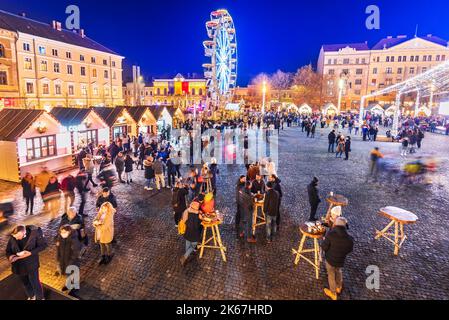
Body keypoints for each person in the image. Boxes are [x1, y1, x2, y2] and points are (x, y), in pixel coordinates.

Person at [6, 225, 47, 300]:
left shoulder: (35, 234)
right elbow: (8, 251)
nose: (16, 238)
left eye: (18, 236)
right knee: (25, 283)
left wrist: (31, 253)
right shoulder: (13, 237)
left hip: (31, 264)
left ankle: (40, 298)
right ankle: (31, 296)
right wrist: (11, 257)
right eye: (15, 237)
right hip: (19, 266)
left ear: (24, 232)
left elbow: (43, 245)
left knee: (35, 283)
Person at [321, 217, 354, 301]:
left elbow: (324, 247)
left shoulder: (331, 234)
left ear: (336, 224)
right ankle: (339, 287)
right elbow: (350, 250)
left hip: (330, 259)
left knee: (331, 275)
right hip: (341, 260)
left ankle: (333, 293)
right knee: (338, 271)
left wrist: (324, 240)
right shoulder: (350, 238)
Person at [54, 225, 81, 292]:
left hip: (72, 262)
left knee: (73, 274)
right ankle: (69, 285)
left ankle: (75, 287)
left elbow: (75, 253)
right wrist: (58, 259)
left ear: (69, 231)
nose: (62, 233)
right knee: (68, 274)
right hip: (64, 260)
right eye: (61, 232)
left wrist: (70, 262)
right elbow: (58, 249)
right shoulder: (60, 239)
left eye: (64, 232)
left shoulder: (73, 240)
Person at [180, 201, 203, 266]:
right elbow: (200, 222)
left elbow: (184, 220)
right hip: (195, 234)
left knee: (187, 244)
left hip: (187, 232)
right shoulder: (198, 214)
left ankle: (186, 256)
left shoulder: (186, 212)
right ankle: (184, 257)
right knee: (193, 246)